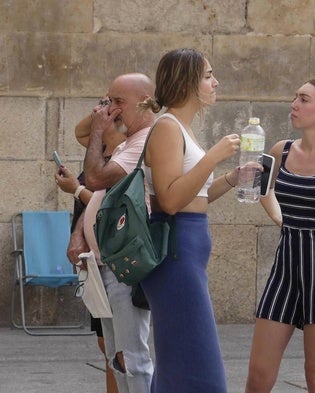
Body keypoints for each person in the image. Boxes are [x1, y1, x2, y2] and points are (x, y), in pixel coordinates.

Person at [138, 48, 241, 393]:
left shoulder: (180, 127)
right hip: (176, 249)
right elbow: (169, 200)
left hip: (188, 247)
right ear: (187, 82)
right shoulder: (167, 127)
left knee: (180, 358)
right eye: (208, 75)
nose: (216, 82)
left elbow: (193, 197)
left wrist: (231, 178)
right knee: (198, 364)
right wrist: (213, 157)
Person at [244, 77, 315, 393]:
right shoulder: (283, 149)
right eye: (295, 97)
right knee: (258, 375)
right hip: (285, 268)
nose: (294, 104)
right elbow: (260, 189)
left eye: (304, 99)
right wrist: (281, 218)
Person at [67, 73, 157, 393]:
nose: (111, 110)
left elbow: (94, 178)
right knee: (116, 357)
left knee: (132, 358)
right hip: (108, 262)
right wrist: (81, 234)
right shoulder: (129, 142)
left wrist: (98, 131)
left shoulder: (146, 140)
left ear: (146, 102)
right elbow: (105, 199)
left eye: (118, 102)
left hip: (124, 264)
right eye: (108, 101)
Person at [55, 101, 125, 393]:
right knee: (106, 343)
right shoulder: (99, 152)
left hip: (111, 259)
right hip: (93, 260)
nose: (97, 116)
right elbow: (80, 130)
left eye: (107, 111)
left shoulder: (121, 156)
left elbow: (108, 209)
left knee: (117, 346)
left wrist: (76, 189)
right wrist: (102, 112)